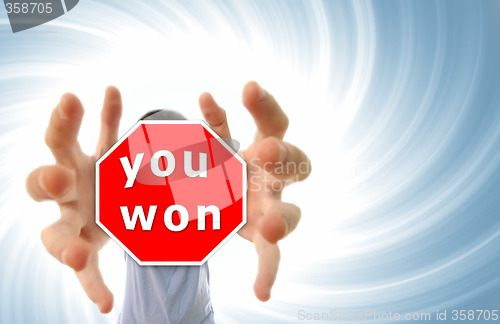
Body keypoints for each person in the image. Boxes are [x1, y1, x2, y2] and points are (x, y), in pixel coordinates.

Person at [25, 81, 311, 323]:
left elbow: (233, 167)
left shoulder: (203, 197)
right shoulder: (126, 202)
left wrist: (239, 181)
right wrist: (100, 192)